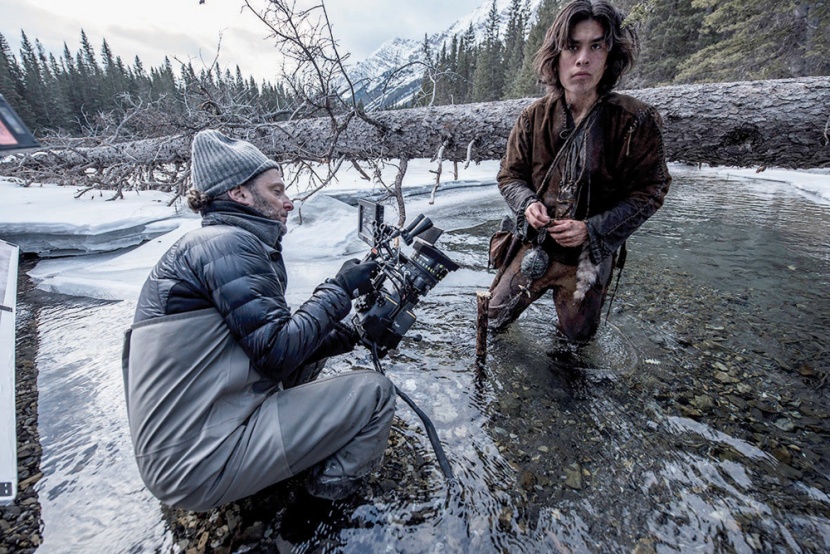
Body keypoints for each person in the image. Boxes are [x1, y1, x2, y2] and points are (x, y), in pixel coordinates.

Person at [121, 129, 396, 511]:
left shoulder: (218, 242)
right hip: (194, 466)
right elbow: (276, 353)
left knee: (308, 361)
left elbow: (265, 344)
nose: (288, 201)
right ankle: (324, 506)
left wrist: (352, 334)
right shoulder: (227, 244)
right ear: (239, 194)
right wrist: (340, 289)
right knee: (375, 393)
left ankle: (278, 471)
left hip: (187, 445)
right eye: (277, 191)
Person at [488, 0, 671, 346]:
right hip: (534, 244)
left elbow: (652, 190)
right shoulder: (533, 118)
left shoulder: (636, 121)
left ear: (609, 55)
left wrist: (592, 229)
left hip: (590, 257)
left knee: (575, 346)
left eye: (596, 45)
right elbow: (509, 176)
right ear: (556, 56)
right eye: (572, 46)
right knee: (490, 321)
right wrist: (527, 203)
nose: (582, 58)